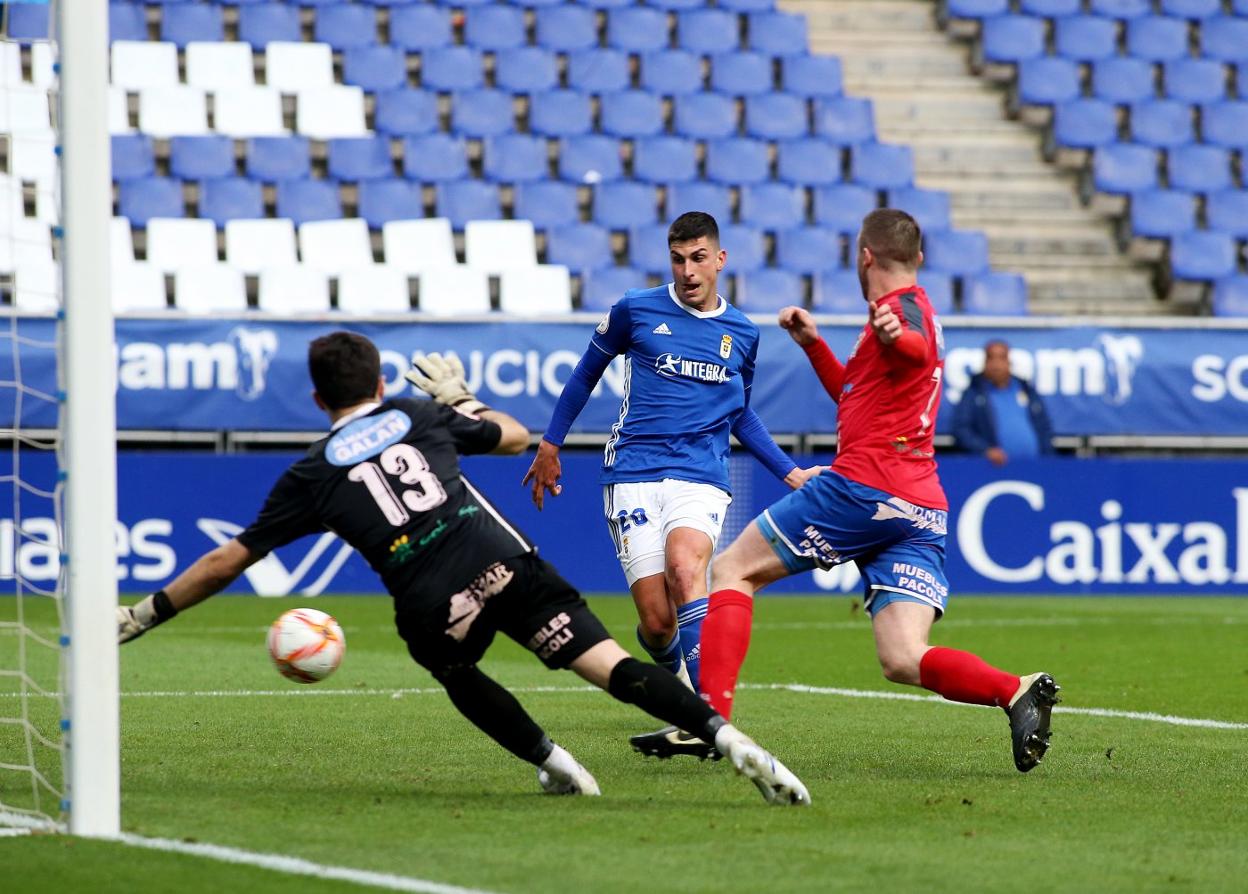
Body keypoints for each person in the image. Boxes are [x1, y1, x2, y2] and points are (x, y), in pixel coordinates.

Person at [116, 332, 809, 806]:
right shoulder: (415, 413)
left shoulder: (310, 476)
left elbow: (225, 561)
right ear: (380, 382)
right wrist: (460, 401)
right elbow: (513, 438)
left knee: (456, 671)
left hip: (429, 597)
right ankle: (732, 739)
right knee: (607, 665)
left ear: (319, 401)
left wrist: (148, 613)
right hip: (499, 557)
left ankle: (556, 764)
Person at [638, 210, 1060, 774]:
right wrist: (813, 345)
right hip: (920, 504)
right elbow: (856, 394)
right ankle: (1014, 690)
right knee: (903, 657)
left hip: (865, 487)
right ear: (920, 258)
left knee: (732, 570)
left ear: (864, 257)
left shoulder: (899, 312)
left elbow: (910, 346)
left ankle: (707, 721)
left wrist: (897, 335)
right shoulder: (923, 314)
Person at [523, 212, 818, 754]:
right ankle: (678, 672)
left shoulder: (743, 333)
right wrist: (551, 442)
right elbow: (586, 372)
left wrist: (789, 470)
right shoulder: (636, 309)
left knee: (687, 568)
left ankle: (705, 716)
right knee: (658, 624)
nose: (688, 271)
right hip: (631, 471)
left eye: (699, 258)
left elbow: (739, 412)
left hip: (700, 474)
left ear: (720, 259)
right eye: (678, 259)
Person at [952, 339, 1054, 466]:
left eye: (1001, 358)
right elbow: (961, 429)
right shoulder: (974, 392)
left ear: (1009, 362)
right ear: (984, 362)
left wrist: (1047, 456)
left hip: (1035, 465)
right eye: (991, 358)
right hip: (995, 468)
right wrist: (985, 450)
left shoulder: (1026, 389)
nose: (996, 364)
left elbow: (1044, 426)